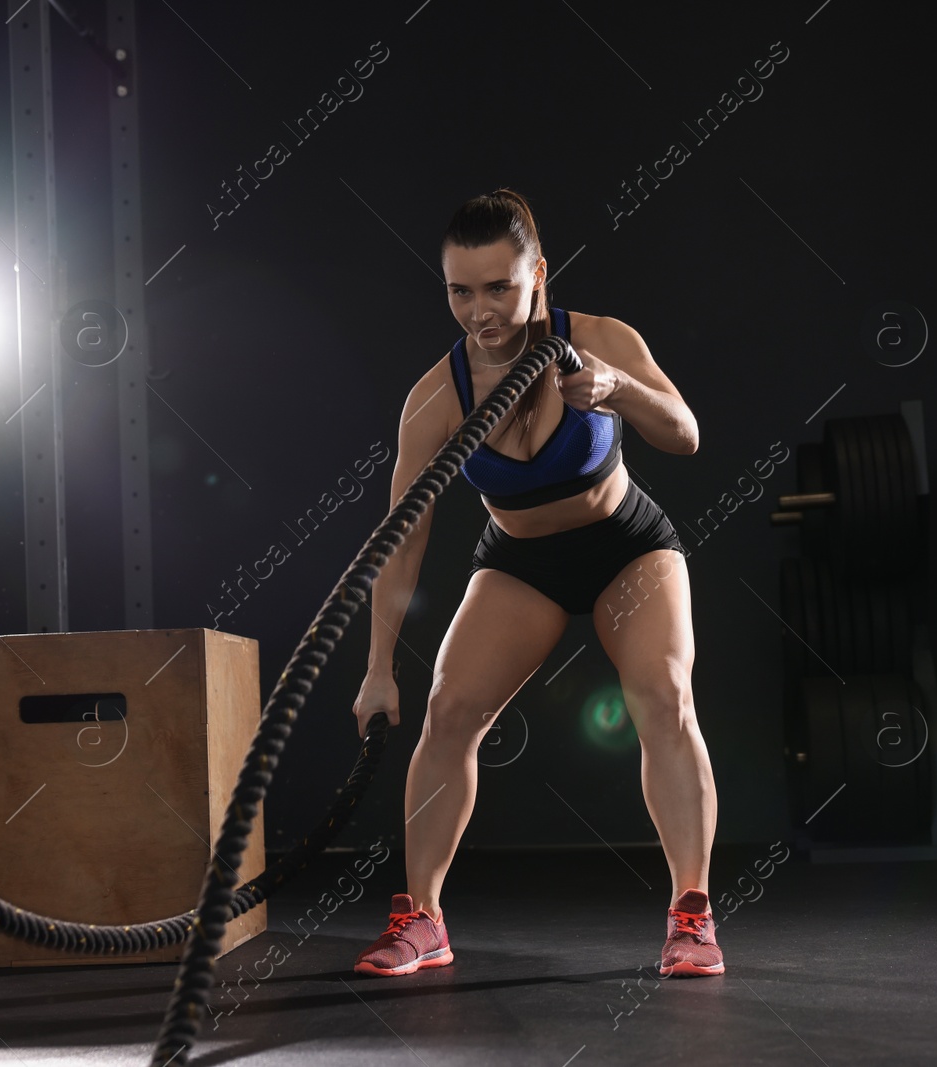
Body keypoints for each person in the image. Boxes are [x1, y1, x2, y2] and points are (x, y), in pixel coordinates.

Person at [351, 188, 721, 979]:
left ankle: (691, 913)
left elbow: (686, 434)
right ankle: (424, 918)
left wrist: (620, 391)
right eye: (460, 290)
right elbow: (403, 540)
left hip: (626, 546)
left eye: (498, 287)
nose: (480, 310)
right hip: (522, 564)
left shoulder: (599, 338)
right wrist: (378, 667)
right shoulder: (435, 399)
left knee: (662, 693)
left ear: (538, 276)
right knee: (448, 710)